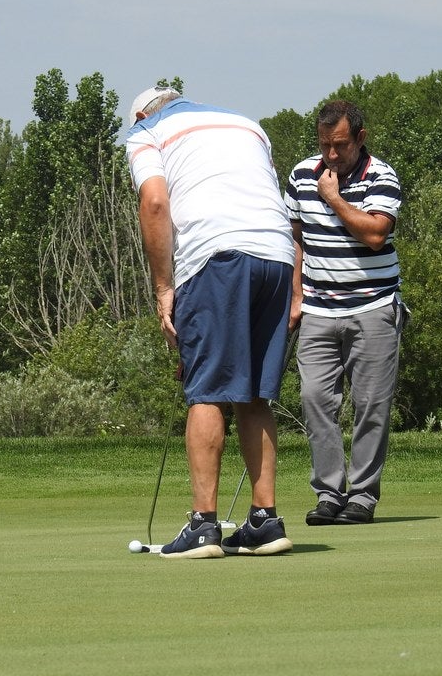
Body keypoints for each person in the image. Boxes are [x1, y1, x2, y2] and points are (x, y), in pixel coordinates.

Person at [124, 86, 296, 558]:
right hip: (277, 259)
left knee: (207, 390)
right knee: (254, 392)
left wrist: (164, 290)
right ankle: (265, 521)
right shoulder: (246, 124)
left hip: (218, 257)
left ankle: (203, 525)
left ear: (141, 114)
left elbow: (155, 204)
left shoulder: (146, 132)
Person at [284, 99, 407, 526]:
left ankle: (363, 497)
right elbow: (296, 238)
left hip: (373, 306)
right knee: (315, 398)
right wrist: (296, 294)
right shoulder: (302, 174)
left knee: (371, 404)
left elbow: (375, 234)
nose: (331, 155)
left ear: (360, 137)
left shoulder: (382, 175)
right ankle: (329, 493)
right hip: (318, 307)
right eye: (324, 146)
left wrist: (334, 199)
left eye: (339, 145)